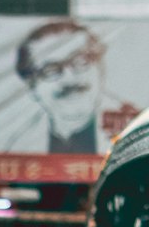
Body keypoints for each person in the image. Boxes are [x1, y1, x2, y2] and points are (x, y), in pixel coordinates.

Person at [15, 20, 106, 153]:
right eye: (51, 70)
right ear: (32, 87)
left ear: (101, 69)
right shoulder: (19, 146)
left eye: (81, 61)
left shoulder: (131, 130)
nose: (69, 78)